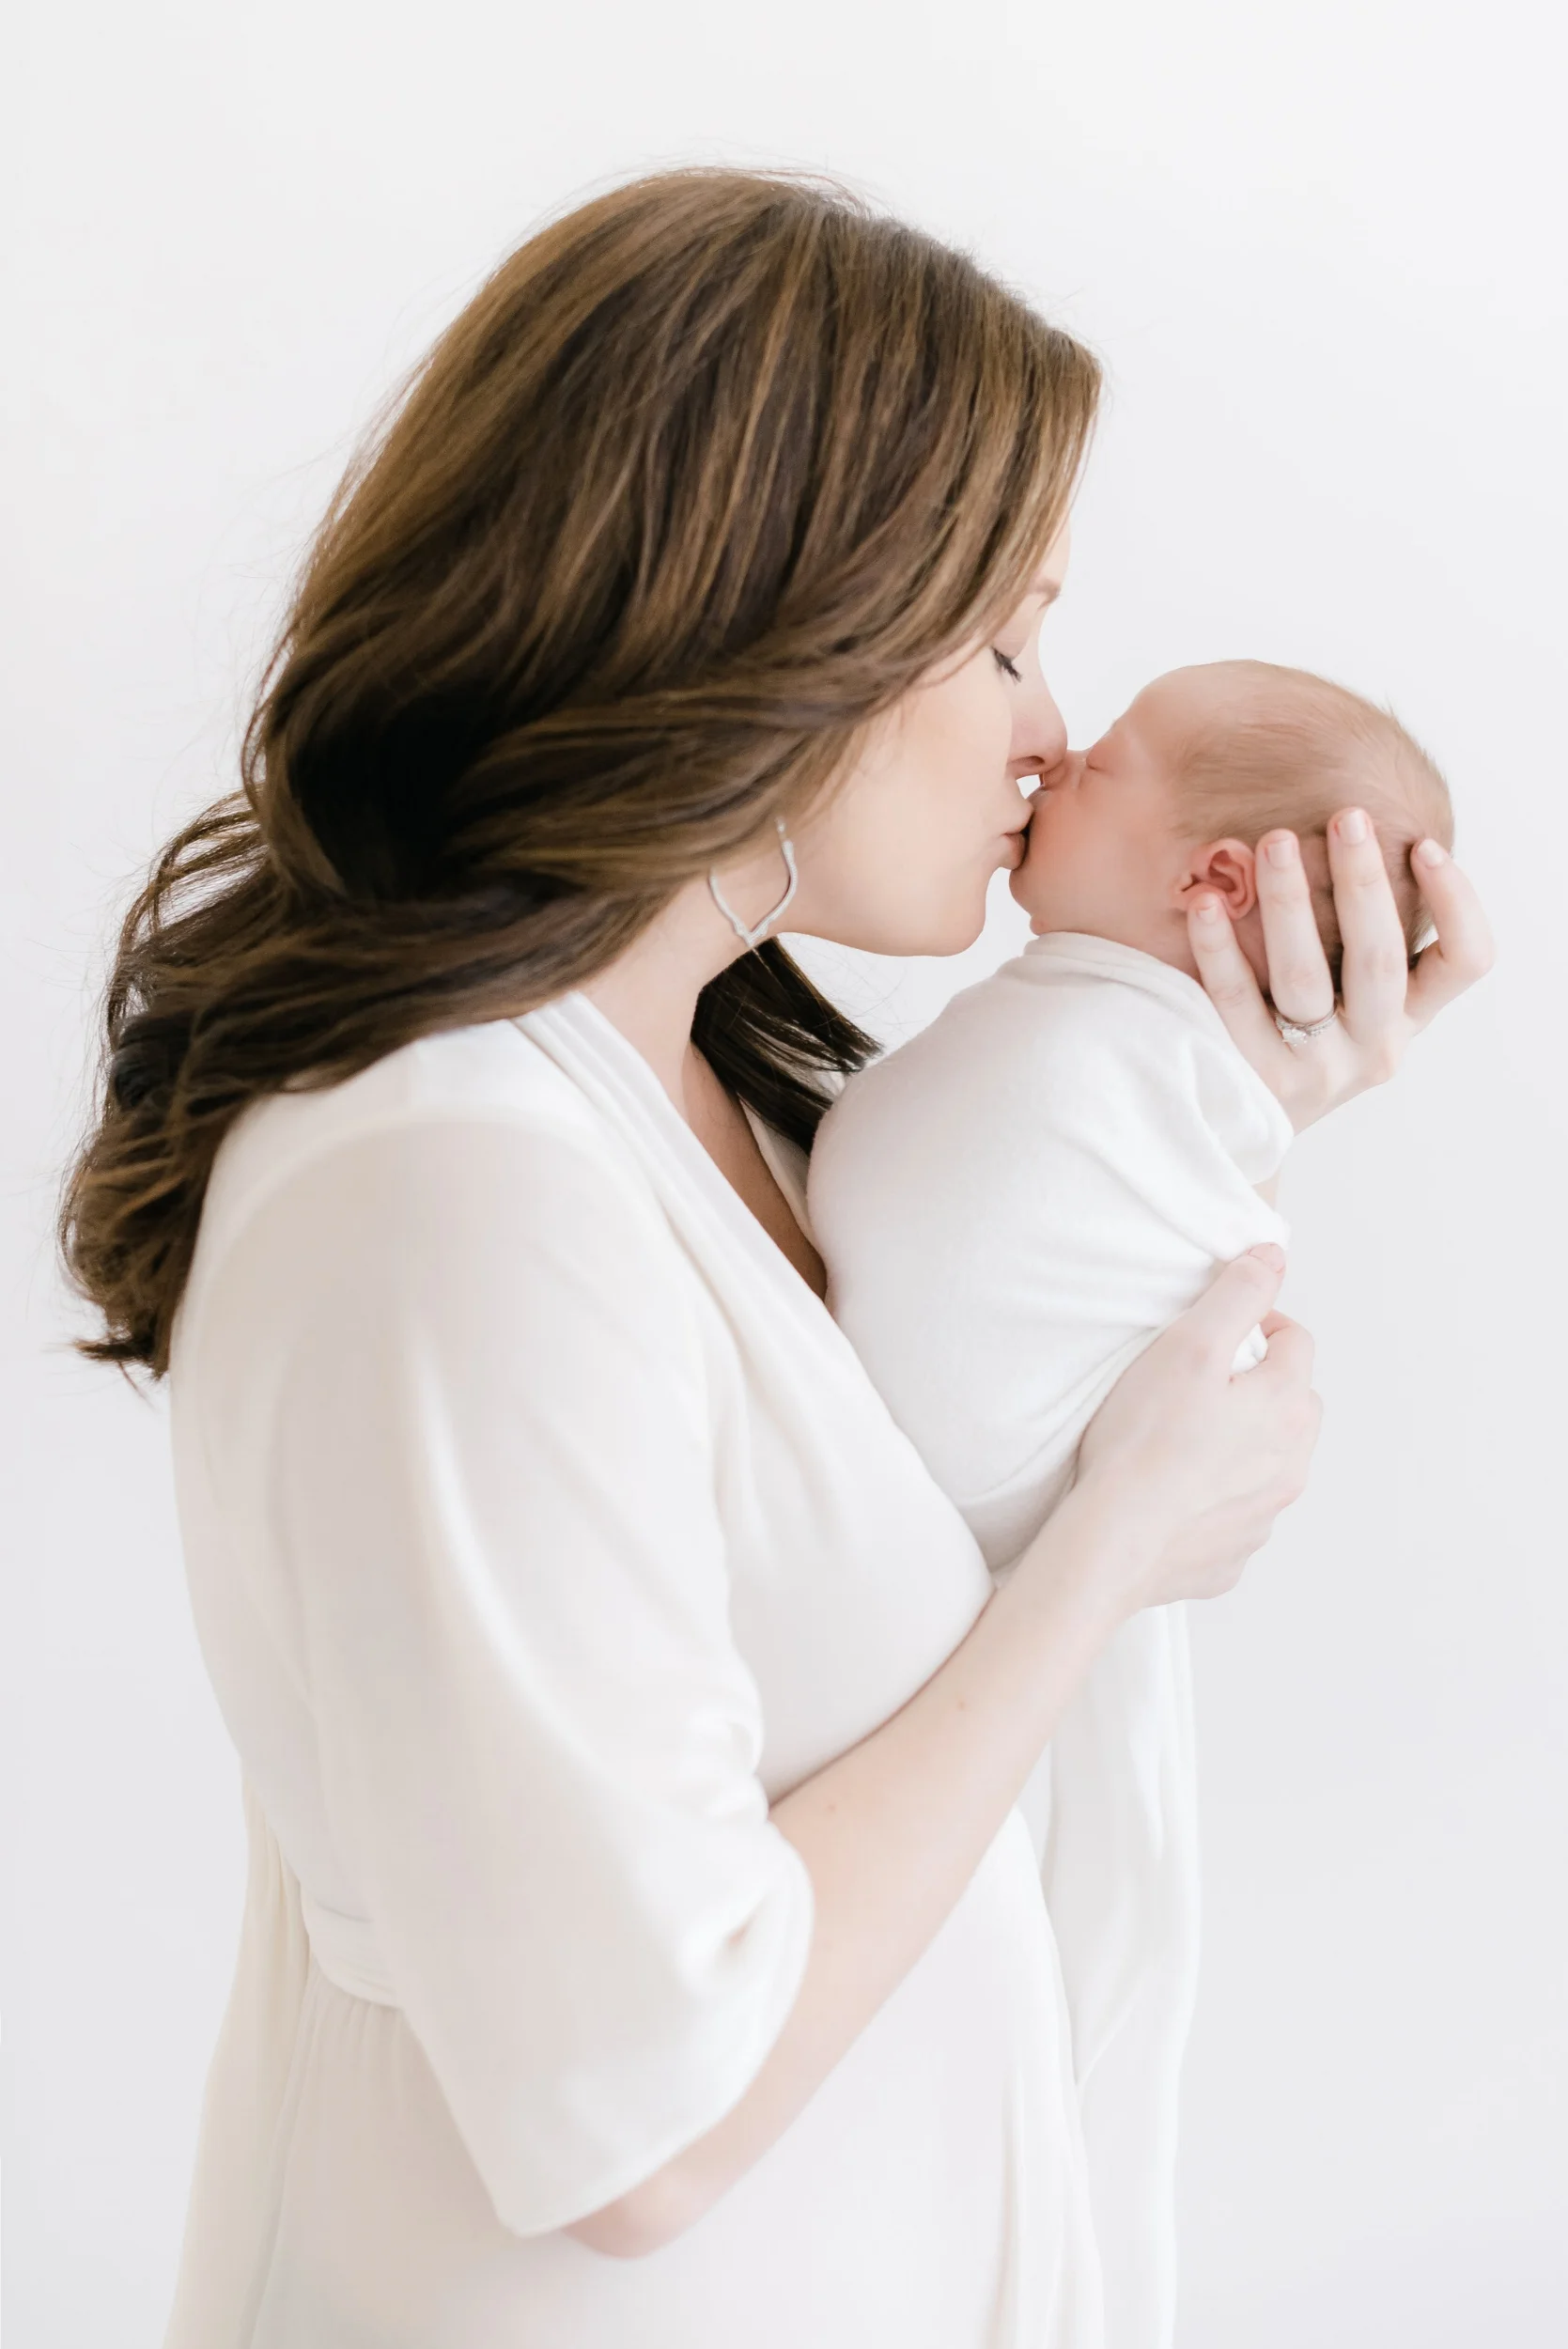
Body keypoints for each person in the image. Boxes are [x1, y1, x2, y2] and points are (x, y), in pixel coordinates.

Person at [58, 170, 1491, 2349]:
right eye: (1002, 630)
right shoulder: (453, 1184)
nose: (1046, 728)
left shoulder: (746, 1104)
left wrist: (1232, 1082)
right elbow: (641, 2113)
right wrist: (1112, 1547)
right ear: (768, 613)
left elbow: (966, 1402)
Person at [807, 658, 1461, 2347]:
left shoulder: (1153, 1058)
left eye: (1094, 753)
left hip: (983, 1575)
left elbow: (1166, 1199)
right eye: (1014, 653)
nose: (1049, 747)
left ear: (1212, 881)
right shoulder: (1087, 1025)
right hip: (908, 1639)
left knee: (1075, 1977)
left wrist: (1258, 1108)